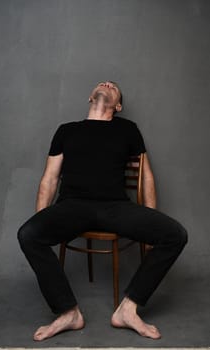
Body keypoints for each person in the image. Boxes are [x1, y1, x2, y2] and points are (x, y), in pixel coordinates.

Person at [17, 81, 187, 341]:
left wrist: (152, 217)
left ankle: (128, 310)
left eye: (114, 87)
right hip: (72, 206)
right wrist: (42, 218)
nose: (107, 83)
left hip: (115, 207)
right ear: (90, 97)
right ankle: (68, 312)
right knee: (28, 234)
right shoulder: (66, 131)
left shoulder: (128, 129)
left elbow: (147, 177)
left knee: (175, 235)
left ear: (117, 105)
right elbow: (49, 179)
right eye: (103, 83)